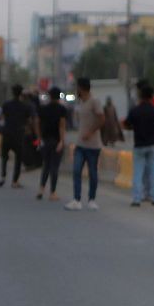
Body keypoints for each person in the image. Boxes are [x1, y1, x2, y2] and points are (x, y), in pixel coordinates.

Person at [66, 77, 105, 211]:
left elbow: (101, 119)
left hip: (93, 145)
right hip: (80, 144)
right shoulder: (80, 102)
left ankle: (91, 199)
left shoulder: (95, 101)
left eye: (77, 87)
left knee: (92, 173)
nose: (76, 90)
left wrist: (90, 132)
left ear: (81, 88)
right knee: (77, 170)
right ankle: (76, 199)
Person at [122, 85, 154, 206]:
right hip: (153, 145)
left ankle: (136, 199)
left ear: (140, 96)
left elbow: (126, 124)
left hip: (139, 145)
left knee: (138, 173)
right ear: (152, 97)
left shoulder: (135, 111)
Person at [0, 85, 32, 188]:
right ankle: (15, 181)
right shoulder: (25, 106)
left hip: (7, 134)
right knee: (18, 159)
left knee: (4, 157)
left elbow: (0, 118)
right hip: (18, 135)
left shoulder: (6, 105)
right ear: (21, 93)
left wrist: (0, 129)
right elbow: (28, 121)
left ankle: (3, 177)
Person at [36, 87, 67, 201]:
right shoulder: (62, 109)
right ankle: (53, 192)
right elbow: (62, 126)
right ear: (59, 96)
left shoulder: (43, 109)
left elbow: (38, 123)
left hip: (45, 141)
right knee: (54, 167)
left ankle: (41, 189)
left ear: (50, 96)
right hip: (56, 141)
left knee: (46, 166)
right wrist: (62, 141)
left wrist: (39, 139)